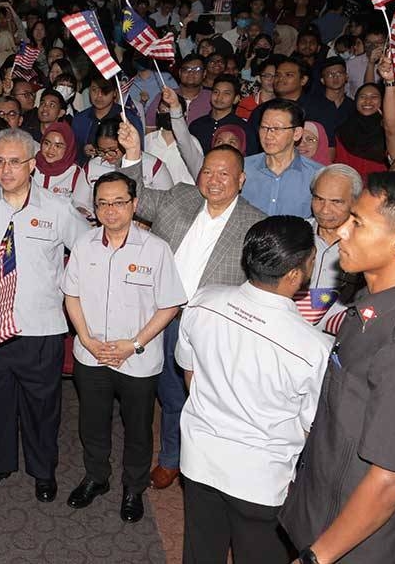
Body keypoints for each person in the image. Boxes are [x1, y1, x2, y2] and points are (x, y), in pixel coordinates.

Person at [281, 172, 395, 564]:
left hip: (360, 547)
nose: (341, 230)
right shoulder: (368, 303)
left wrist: (316, 557)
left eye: (358, 222)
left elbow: (391, 479)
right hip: (323, 512)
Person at [116, 116, 266, 490]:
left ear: (241, 180)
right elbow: (135, 199)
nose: (214, 180)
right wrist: (132, 153)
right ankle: (172, 457)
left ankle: (200, 463)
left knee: (200, 397)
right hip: (160, 314)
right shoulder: (181, 196)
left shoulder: (255, 224)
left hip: (211, 324)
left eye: (224, 174)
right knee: (167, 392)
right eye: (208, 172)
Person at [177, 215, 330, 563]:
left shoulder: (203, 301)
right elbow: (310, 427)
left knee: (200, 552)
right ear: (295, 274)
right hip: (261, 478)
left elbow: (189, 373)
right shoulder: (313, 347)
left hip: (200, 456)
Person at [0, 128, 89, 501]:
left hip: (40, 326)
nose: (6, 170)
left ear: (32, 165)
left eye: (15, 162)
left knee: (41, 407)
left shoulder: (58, 208)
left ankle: (42, 471)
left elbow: (86, 252)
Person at [62, 171, 185, 520]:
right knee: (92, 423)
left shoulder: (156, 248)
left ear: (134, 204)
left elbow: (170, 304)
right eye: (103, 203)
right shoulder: (84, 245)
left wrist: (134, 344)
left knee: (138, 428)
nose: (111, 210)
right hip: (92, 354)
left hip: (138, 359)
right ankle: (96, 477)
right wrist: (84, 339)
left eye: (119, 202)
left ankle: (133, 487)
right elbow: (71, 295)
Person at [297, 165, 363, 325]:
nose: (325, 210)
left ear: (356, 202)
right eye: (319, 199)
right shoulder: (294, 234)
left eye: (336, 202)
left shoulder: (365, 246)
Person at [242, 98, 323, 217]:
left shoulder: (317, 176)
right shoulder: (243, 167)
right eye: (264, 127)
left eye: (277, 129)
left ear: (297, 133)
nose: (268, 135)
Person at [35, 122, 92, 217]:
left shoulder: (75, 173)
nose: (50, 150)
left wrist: (80, 211)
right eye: (47, 143)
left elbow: (80, 204)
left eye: (58, 146)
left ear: (68, 148)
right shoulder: (29, 166)